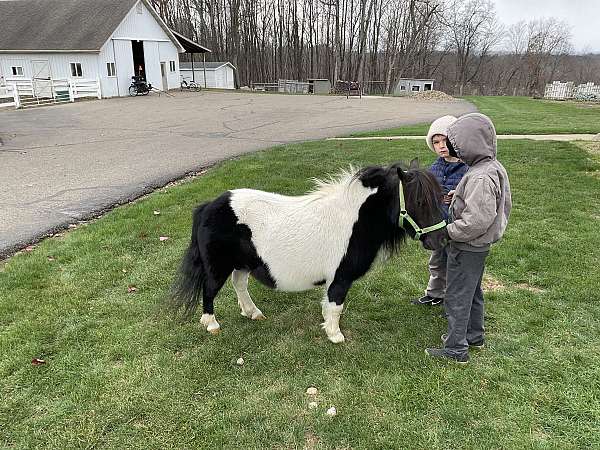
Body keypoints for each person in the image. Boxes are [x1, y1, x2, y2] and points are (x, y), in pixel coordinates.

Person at [425, 113, 512, 364]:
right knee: (472, 292)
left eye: (457, 144)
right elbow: (482, 204)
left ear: (470, 144)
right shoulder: (488, 167)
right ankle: (474, 335)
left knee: (457, 297)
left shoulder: (480, 176)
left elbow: (476, 221)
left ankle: (455, 349)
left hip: (467, 246)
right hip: (478, 246)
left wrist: (447, 231)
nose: (454, 150)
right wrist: (458, 195)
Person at [412, 115, 468, 306]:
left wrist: (458, 195)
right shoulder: (434, 168)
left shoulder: (468, 168)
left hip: (460, 226)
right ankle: (435, 292)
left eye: (445, 140)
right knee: (437, 261)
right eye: (436, 142)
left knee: (456, 263)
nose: (441, 146)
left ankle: (453, 298)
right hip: (439, 225)